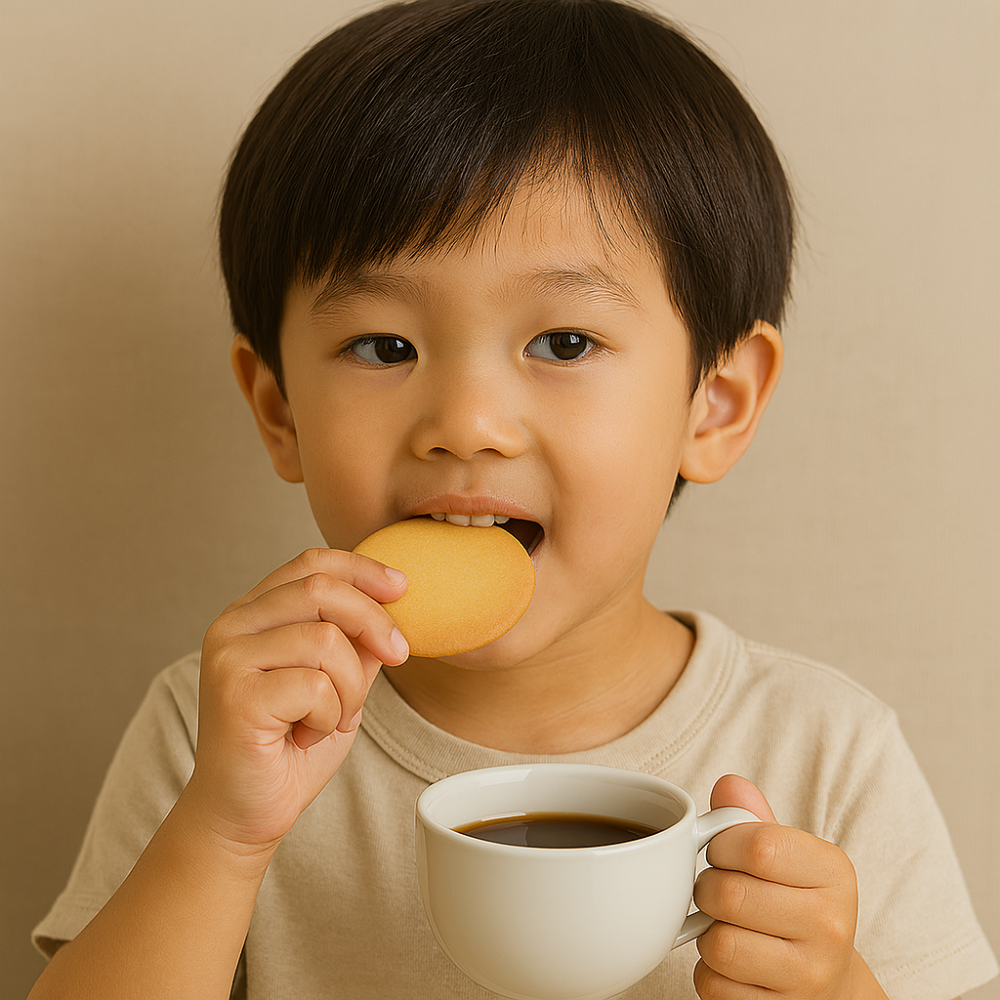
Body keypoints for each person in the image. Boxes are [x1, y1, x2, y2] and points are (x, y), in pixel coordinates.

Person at [28, 1, 997, 998]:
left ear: (714, 403)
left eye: (563, 343)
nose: (467, 421)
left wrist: (837, 986)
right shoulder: (222, 727)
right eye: (384, 346)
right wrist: (223, 832)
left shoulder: (823, 749)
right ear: (278, 410)